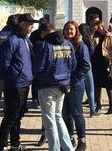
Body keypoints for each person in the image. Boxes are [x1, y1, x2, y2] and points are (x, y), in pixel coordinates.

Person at [0, 13, 37, 151]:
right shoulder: (13, 40)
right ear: (22, 24)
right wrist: (5, 76)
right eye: (29, 24)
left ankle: (15, 144)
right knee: (11, 116)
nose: (31, 27)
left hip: (25, 83)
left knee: (18, 115)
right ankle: (3, 145)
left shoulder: (25, 39)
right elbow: (5, 61)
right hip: (15, 83)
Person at [33, 23, 76, 151]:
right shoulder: (67, 44)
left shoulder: (45, 45)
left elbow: (38, 66)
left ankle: (55, 148)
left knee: (49, 120)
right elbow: (73, 64)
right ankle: (68, 148)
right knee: (57, 116)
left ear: (44, 32)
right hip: (63, 85)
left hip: (47, 85)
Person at [62, 21, 91, 151]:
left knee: (77, 112)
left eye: (72, 29)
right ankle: (70, 136)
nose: (69, 31)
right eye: (67, 29)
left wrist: (73, 80)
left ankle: (82, 140)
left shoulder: (81, 46)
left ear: (76, 31)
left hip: (75, 84)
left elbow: (85, 65)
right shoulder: (61, 45)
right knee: (66, 112)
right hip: (63, 84)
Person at [90, 21, 112, 114]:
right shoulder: (94, 35)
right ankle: (98, 105)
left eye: (97, 27)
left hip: (105, 62)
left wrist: (111, 64)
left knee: (109, 85)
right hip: (96, 62)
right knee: (97, 85)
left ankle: (111, 105)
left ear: (101, 26)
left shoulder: (109, 36)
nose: (96, 29)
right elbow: (91, 46)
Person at [78, 24, 98, 117]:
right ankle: (92, 110)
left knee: (79, 89)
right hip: (88, 66)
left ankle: (79, 109)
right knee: (90, 90)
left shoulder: (76, 40)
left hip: (78, 67)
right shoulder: (88, 41)